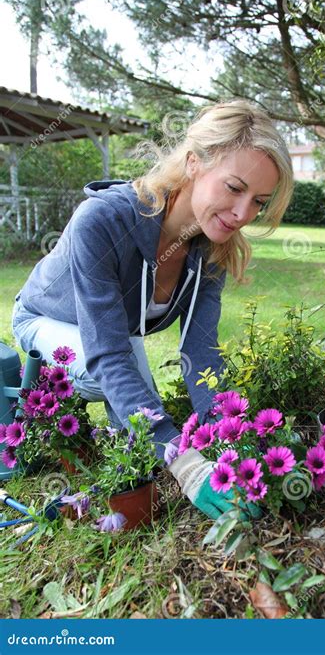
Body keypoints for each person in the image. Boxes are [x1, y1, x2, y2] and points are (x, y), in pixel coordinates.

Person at [11, 100, 294, 519]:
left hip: (113, 337)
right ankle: (125, 470)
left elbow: (200, 354)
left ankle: (127, 460)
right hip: (47, 323)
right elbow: (107, 353)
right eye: (234, 188)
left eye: (259, 202)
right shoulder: (103, 221)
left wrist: (229, 437)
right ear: (194, 163)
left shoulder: (211, 248)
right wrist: (182, 460)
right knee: (115, 382)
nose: (242, 214)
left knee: (138, 400)